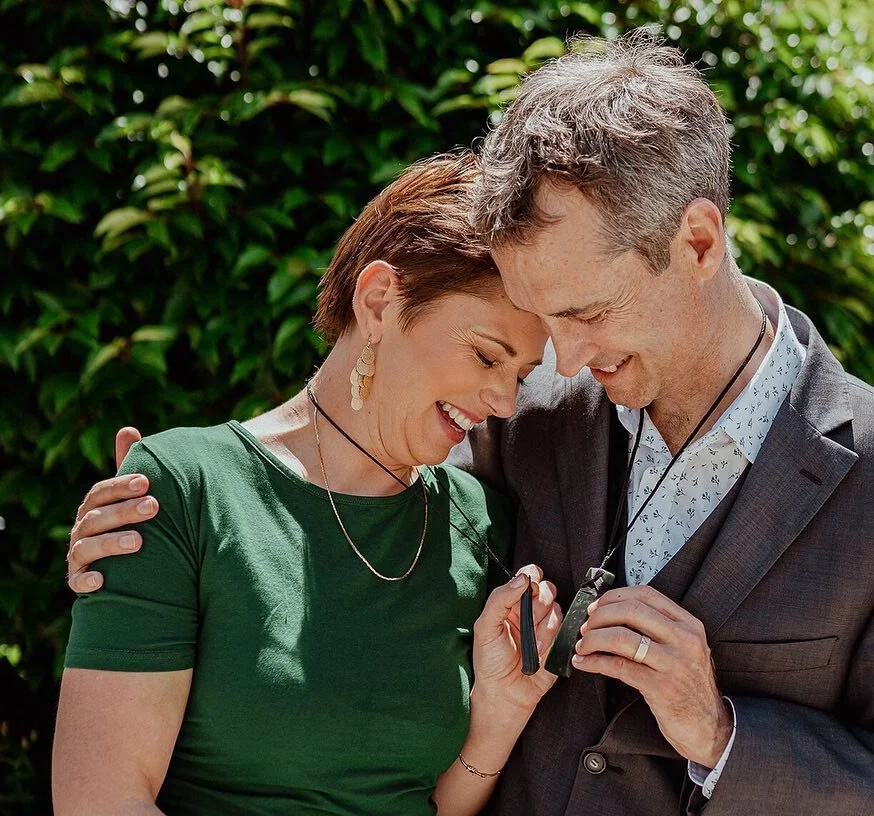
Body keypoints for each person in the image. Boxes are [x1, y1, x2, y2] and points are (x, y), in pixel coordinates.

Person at [66, 33, 874, 815]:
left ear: (697, 241)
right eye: (534, 324)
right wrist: (155, 520)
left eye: (587, 314)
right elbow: (354, 454)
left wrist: (723, 733)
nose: (556, 363)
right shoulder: (527, 423)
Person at [52, 152, 563, 815]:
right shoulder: (181, 490)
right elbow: (101, 799)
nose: (503, 401)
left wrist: (499, 713)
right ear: (379, 301)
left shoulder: (480, 523)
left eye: (521, 374)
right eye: (487, 355)